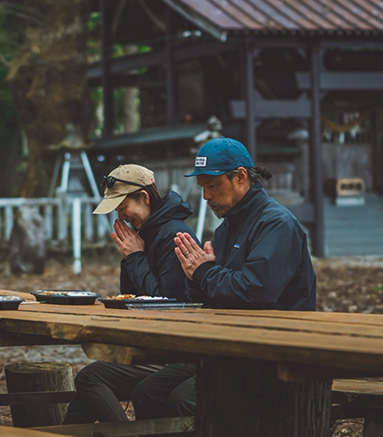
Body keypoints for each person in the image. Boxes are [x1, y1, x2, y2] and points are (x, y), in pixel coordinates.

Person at [136, 137, 317, 418]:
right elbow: (212, 296)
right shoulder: (226, 229)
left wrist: (204, 272)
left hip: (272, 352)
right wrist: (194, 279)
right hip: (231, 347)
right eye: (202, 188)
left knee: (184, 399)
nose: (206, 196)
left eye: (212, 186)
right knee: (148, 393)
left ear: (241, 177)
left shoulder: (276, 224)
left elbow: (256, 291)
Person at [62, 165, 198, 425]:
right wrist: (131, 258)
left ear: (144, 198)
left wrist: (136, 257)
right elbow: (131, 295)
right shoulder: (147, 233)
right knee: (89, 383)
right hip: (151, 344)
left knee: (90, 378)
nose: (121, 216)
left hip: (173, 352)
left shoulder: (174, 235)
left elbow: (166, 305)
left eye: (122, 207)